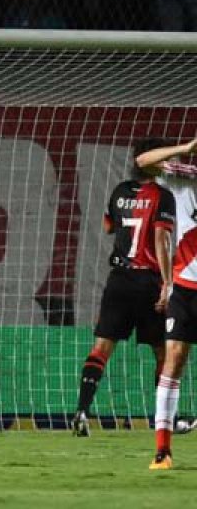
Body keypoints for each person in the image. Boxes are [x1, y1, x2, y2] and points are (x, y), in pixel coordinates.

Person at [71, 138, 176, 436]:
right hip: (148, 281)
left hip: (119, 279)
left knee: (102, 348)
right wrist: (168, 283)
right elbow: (161, 240)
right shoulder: (162, 195)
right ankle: (166, 420)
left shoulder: (119, 192)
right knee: (162, 352)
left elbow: (108, 227)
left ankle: (81, 411)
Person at [134, 137, 197, 469]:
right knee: (174, 359)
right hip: (186, 287)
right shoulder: (180, 175)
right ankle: (162, 451)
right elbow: (144, 160)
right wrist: (185, 147)